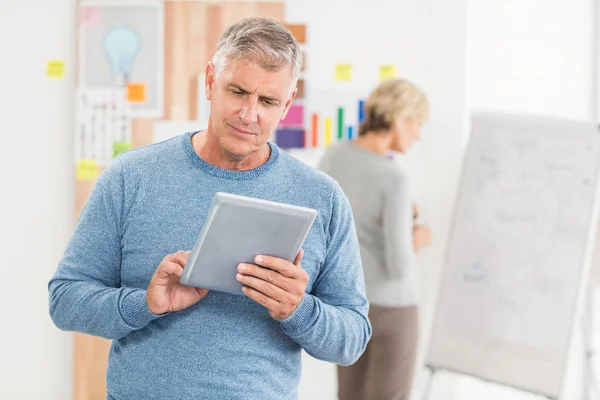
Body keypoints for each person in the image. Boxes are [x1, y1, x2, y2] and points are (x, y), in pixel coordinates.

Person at [49, 17, 371, 400]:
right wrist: (146, 304)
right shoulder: (131, 177)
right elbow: (65, 300)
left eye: (267, 101)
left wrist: (298, 309)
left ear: (287, 104)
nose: (249, 115)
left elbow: (351, 340)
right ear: (209, 81)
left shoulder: (323, 198)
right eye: (237, 91)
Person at [318, 78, 431, 400]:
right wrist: (418, 237)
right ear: (400, 118)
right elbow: (399, 266)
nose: (418, 134)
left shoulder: (334, 156)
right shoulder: (393, 176)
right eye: (417, 123)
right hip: (394, 309)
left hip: (348, 302)